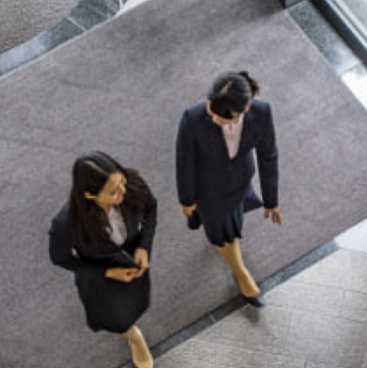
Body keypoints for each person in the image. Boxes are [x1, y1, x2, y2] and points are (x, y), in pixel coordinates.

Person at [175, 71, 281, 307]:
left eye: (223, 117)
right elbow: (184, 161)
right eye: (211, 110)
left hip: (241, 180)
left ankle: (222, 243)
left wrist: (271, 200)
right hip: (208, 189)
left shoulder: (262, 113)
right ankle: (243, 276)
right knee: (225, 234)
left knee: (229, 223)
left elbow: (268, 155)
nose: (213, 119)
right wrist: (187, 199)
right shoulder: (192, 118)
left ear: (244, 110)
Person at [49, 151, 156, 368]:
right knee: (114, 318)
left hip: (132, 262)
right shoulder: (67, 224)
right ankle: (133, 336)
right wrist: (107, 273)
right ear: (89, 195)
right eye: (113, 192)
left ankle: (131, 328)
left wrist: (144, 247)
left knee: (136, 301)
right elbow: (60, 258)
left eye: (122, 183)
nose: (123, 193)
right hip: (100, 279)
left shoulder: (131, 183)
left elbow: (151, 208)